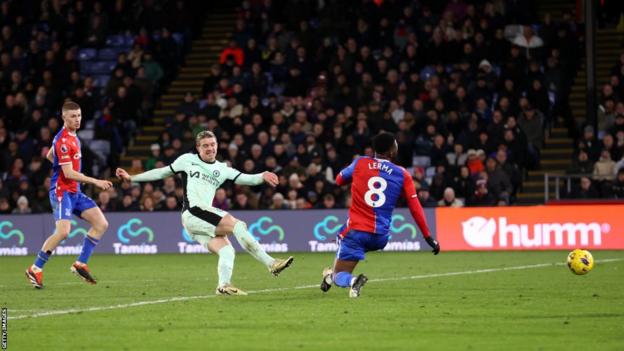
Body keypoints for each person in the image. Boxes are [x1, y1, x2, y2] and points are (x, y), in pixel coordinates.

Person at [116, 130, 293, 295]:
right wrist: (132, 178)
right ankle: (271, 263)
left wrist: (262, 175)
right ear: (198, 148)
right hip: (194, 212)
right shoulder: (187, 160)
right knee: (238, 225)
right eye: (205, 145)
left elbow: (246, 178)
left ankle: (223, 286)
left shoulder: (222, 169)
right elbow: (161, 172)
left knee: (227, 251)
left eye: (212, 144)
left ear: (217, 145)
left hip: (195, 223)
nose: (210, 148)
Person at [320, 132, 440, 298]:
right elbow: (415, 207)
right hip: (380, 237)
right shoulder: (402, 173)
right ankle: (328, 276)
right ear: (391, 151)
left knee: (339, 273)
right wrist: (428, 237)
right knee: (341, 235)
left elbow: (339, 180)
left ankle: (347, 280)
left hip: (357, 232)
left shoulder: (360, 162)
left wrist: (356, 175)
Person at [26, 101, 113, 289]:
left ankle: (80, 263)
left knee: (101, 224)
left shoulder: (73, 137)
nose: (77, 119)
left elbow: (50, 155)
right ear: (63, 117)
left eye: (79, 115)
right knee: (64, 232)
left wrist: (59, 164)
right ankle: (35, 268)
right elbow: (68, 173)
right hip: (62, 191)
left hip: (75, 191)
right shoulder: (63, 141)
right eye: (73, 116)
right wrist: (96, 181)